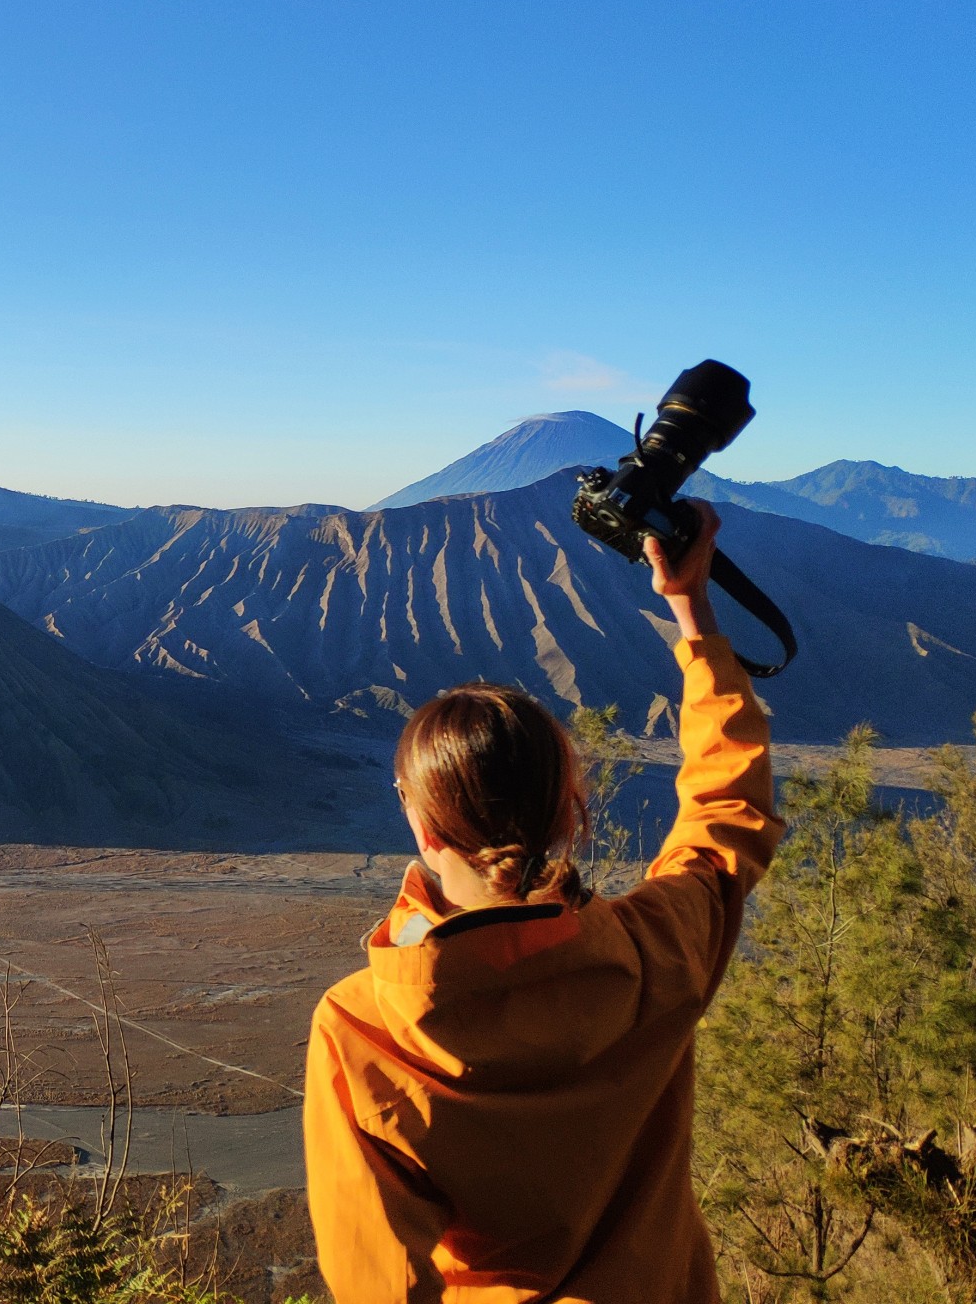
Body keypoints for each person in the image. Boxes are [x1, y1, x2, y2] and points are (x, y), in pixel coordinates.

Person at [303, 502, 779, 1302]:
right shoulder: (655, 951)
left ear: (422, 826)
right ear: (567, 812)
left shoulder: (361, 1030)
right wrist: (692, 611)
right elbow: (728, 811)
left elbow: (382, 1286)